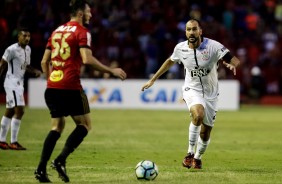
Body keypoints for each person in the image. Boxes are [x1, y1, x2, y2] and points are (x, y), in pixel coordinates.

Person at [34, 0, 127, 183]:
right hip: (71, 87)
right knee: (84, 125)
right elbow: (87, 59)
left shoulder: (55, 32)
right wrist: (111, 70)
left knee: (57, 127)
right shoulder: (82, 32)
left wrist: (51, 80)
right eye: (88, 12)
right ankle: (60, 160)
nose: (90, 15)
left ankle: (40, 169)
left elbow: (44, 62)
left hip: (52, 87)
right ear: (80, 14)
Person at [141, 18, 240, 169]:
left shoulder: (213, 47)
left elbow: (235, 60)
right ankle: (189, 154)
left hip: (211, 94)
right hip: (192, 89)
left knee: (205, 133)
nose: (191, 32)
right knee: (198, 114)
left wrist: (230, 63)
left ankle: (198, 157)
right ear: (185, 32)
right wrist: (153, 79)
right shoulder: (180, 49)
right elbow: (170, 61)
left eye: (194, 29)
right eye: (188, 29)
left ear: (200, 31)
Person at [0, 28, 42, 150]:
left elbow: (25, 66)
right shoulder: (11, 49)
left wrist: (34, 71)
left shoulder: (28, 49)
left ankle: (2, 141)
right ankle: (13, 142)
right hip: (11, 82)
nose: (27, 38)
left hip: (19, 84)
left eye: (28, 36)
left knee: (10, 111)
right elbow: (2, 63)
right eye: (24, 36)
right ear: (18, 37)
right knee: (20, 110)